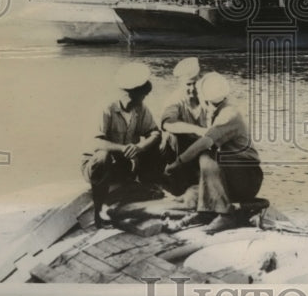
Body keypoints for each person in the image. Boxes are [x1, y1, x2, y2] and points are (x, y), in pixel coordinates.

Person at [163, 71, 263, 234]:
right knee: (206, 161)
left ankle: (226, 215)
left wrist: (176, 164)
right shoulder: (218, 110)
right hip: (233, 174)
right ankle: (206, 211)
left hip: (247, 177)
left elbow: (203, 144)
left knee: (207, 156)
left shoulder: (228, 115)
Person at [81, 61, 162, 226]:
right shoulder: (106, 108)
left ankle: (145, 185)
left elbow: (154, 132)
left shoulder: (140, 108)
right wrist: (123, 148)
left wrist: (140, 147)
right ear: (129, 94)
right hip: (96, 166)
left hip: (122, 165)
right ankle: (99, 211)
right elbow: (96, 142)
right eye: (141, 96)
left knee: (156, 146)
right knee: (103, 156)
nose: (143, 100)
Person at [159, 57, 208, 196]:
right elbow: (168, 124)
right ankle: (174, 179)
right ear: (180, 84)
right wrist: (197, 130)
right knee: (171, 135)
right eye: (188, 84)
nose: (192, 89)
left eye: (195, 83)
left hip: (203, 147)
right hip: (179, 149)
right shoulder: (174, 100)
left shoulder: (208, 97)